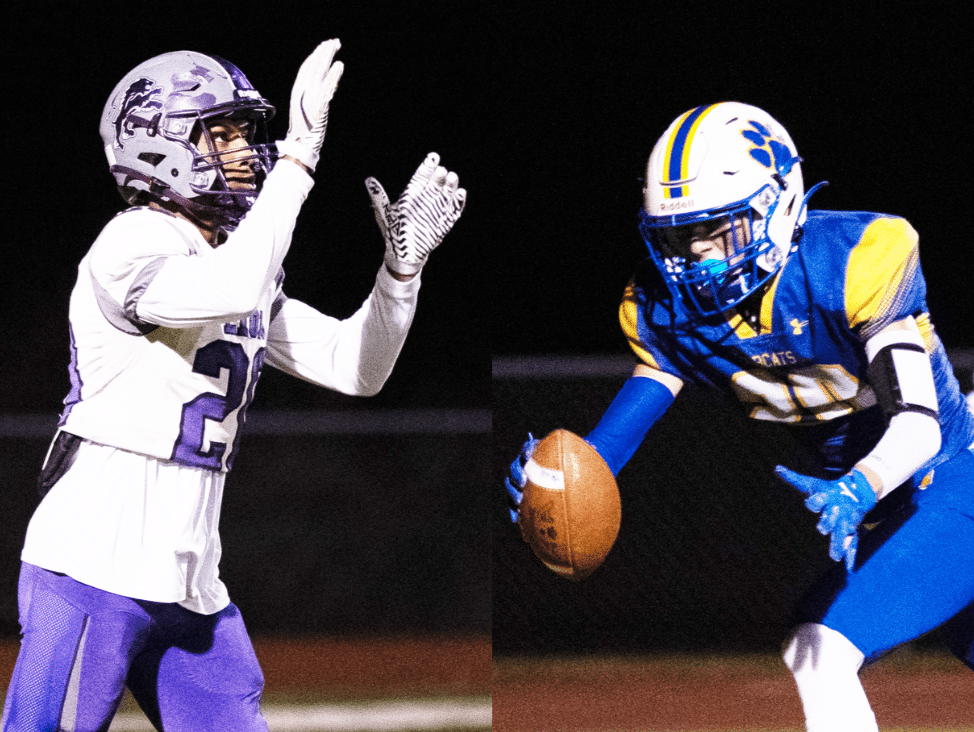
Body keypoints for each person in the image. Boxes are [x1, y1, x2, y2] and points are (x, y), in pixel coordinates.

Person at [2, 40, 465, 730]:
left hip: (190, 581)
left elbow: (355, 368)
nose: (248, 150)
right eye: (221, 133)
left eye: (248, 133)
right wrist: (299, 160)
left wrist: (398, 277)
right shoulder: (131, 243)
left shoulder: (231, 260)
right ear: (158, 146)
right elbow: (233, 284)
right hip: (93, 562)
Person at [506, 102, 973, 731]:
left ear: (778, 205)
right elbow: (616, 439)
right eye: (679, 237)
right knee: (820, 646)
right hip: (894, 505)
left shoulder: (855, 260)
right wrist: (561, 477)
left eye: (716, 230)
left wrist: (860, 484)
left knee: (820, 650)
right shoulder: (671, 314)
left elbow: (920, 426)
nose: (697, 258)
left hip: (952, 475)